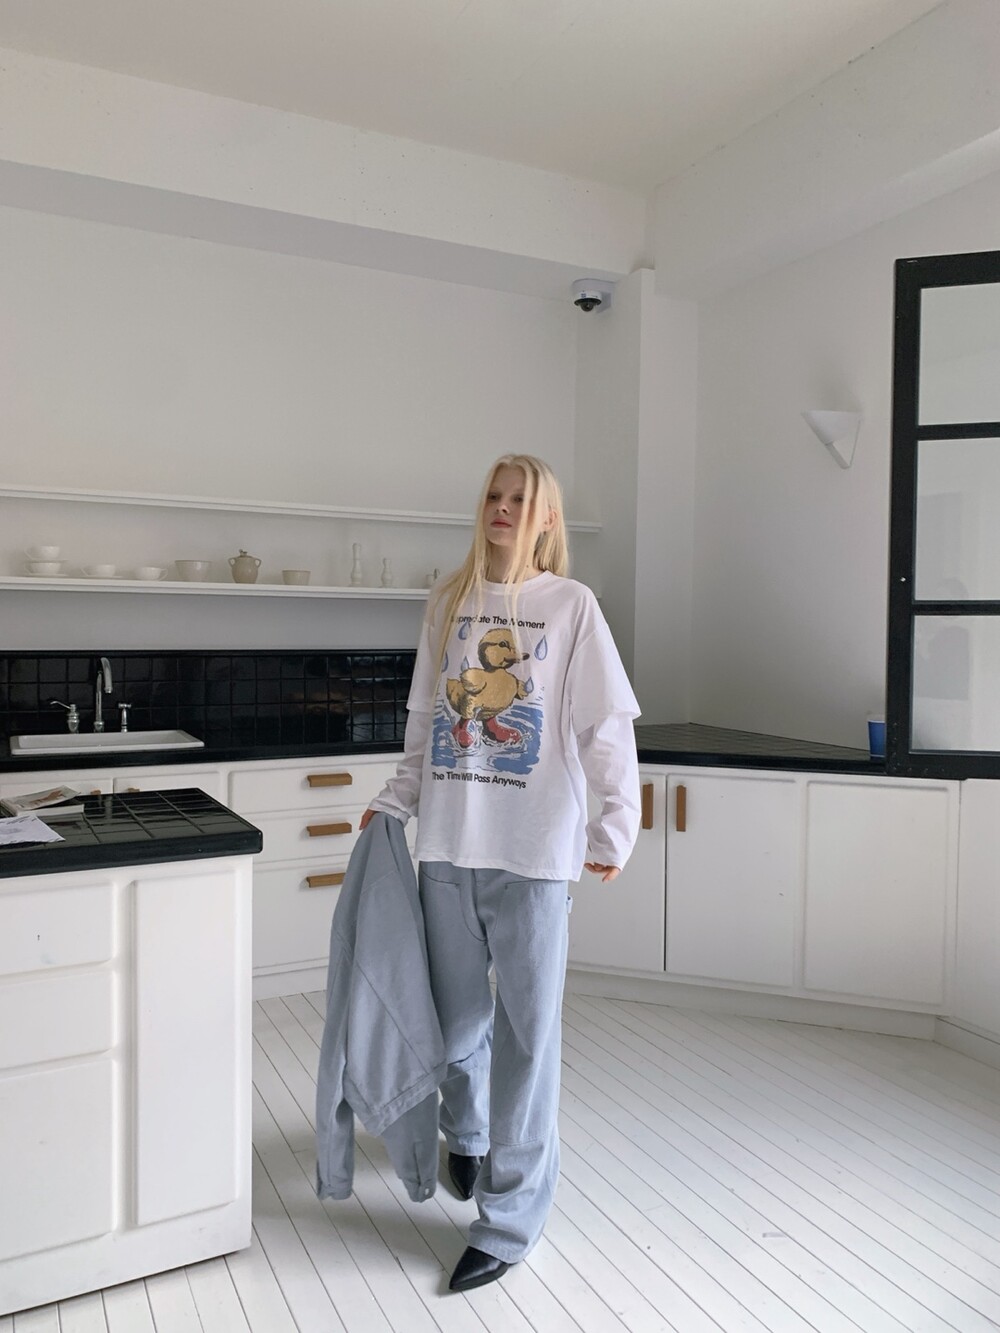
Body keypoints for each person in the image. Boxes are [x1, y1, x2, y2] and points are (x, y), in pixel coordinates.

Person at [360, 453, 641, 1292]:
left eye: (523, 499)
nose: (505, 507)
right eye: (495, 494)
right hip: (449, 848)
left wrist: (615, 826)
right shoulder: (448, 601)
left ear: (548, 517)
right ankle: (470, 1134)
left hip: (534, 857)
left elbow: (604, 727)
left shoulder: (571, 606)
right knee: (453, 1027)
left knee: (528, 1041)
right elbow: (425, 723)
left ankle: (510, 1219)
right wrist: (394, 800)